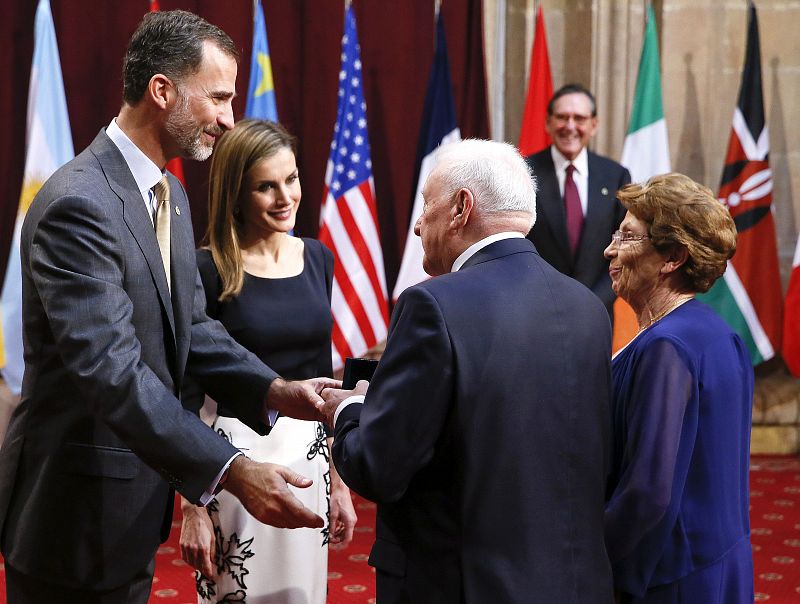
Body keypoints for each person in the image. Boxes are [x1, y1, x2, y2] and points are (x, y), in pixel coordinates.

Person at [0, 11, 334, 603]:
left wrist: (271, 389)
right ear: (162, 91)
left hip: (128, 508)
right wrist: (229, 468)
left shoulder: (170, 193)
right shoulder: (79, 204)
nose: (230, 119)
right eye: (218, 98)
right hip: (73, 515)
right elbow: (113, 372)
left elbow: (194, 328)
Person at [319, 139, 615, 603]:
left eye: (425, 205)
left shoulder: (433, 305)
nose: (418, 225)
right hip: (572, 584)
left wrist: (350, 410)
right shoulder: (589, 308)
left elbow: (379, 468)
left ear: (461, 207)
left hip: (459, 585)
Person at [178, 119, 357, 603]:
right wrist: (193, 505)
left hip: (310, 462)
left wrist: (339, 483)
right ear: (236, 193)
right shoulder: (207, 268)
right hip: (234, 462)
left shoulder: (319, 258)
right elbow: (187, 393)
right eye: (266, 186)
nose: (285, 197)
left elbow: (326, 387)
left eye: (291, 179)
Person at [602, 173, 753, 602]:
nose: (609, 249)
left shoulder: (666, 347)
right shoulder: (716, 331)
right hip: (718, 563)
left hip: (672, 578)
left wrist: (588, 560)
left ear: (672, 257)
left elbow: (647, 492)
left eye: (628, 237)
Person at [525, 83, 631, 319]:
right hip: (537, 312)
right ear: (548, 123)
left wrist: (594, 301)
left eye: (579, 118)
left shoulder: (615, 175)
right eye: (562, 117)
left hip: (596, 312)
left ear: (593, 125)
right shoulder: (524, 172)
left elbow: (624, 247)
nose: (570, 126)